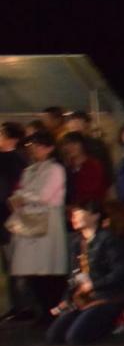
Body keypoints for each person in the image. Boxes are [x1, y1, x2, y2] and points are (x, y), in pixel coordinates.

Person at [46, 202, 124, 345]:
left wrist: (94, 285)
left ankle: (117, 320)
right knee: (54, 336)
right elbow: (74, 275)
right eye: (73, 214)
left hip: (107, 296)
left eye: (79, 213)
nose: (74, 217)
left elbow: (120, 271)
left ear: (95, 216)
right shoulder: (76, 242)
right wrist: (66, 298)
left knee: (75, 338)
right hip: (83, 298)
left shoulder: (108, 239)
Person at [8, 129, 69, 321]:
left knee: (49, 270)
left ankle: (54, 311)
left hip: (48, 221)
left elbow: (45, 196)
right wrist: (19, 198)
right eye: (32, 146)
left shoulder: (55, 169)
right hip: (29, 221)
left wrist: (23, 197)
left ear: (50, 148)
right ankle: (44, 311)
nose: (34, 150)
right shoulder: (29, 170)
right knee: (33, 272)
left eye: (39, 146)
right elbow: (23, 191)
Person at [0, 122, 27, 319]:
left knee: (15, 263)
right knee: (11, 264)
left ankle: (21, 305)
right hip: (9, 215)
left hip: (11, 216)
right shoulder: (21, 159)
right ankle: (16, 305)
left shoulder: (15, 159)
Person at [59, 131, 110, 205]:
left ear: (82, 145)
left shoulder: (93, 165)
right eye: (66, 144)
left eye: (74, 143)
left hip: (91, 208)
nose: (70, 147)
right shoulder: (67, 168)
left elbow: (93, 192)